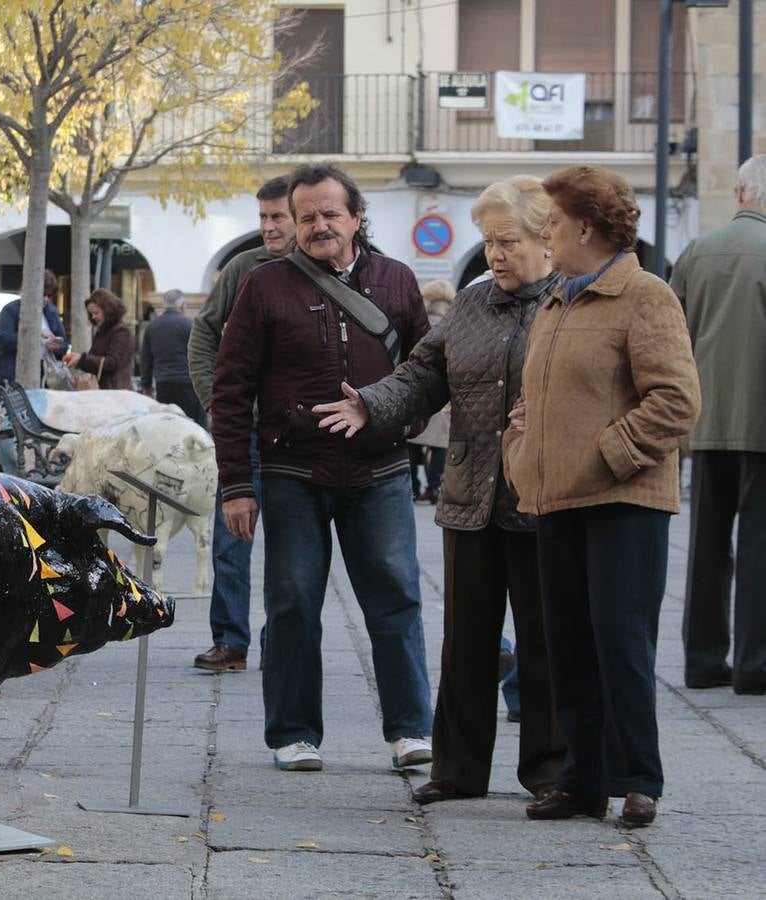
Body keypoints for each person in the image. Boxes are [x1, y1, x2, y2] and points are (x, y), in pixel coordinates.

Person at [314, 175, 565, 806]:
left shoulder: (572, 303)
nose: (495, 255)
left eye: (508, 241)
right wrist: (373, 404)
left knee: (544, 643)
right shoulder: (475, 303)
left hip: (545, 500)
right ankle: (457, 770)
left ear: (549, 239)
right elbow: (424, 374)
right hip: (471, 496)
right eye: (488, 242)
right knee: (466, 643)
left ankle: (551, 772)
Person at [212, 162, 434, 773]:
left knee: (396, 601)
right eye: (306, 215)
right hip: (292, 474)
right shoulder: (264, 286)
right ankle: (293, 732)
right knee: (290, 606)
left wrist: (390, 418)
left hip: (381, 472)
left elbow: (428, 374)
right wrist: (236, 484)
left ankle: (412, 730)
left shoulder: (396, 280)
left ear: (357, 217)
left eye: (330, 213)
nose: (318, 225)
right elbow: (230, 389)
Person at [504, 165, 700, 829]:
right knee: (569, 647)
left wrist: (607, 456)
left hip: (625, 502)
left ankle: (638, 780)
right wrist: (520, 451)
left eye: (552, 224)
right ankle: (581, 781)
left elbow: (676, 400)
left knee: (620, 643)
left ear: (585, 226)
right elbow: (537, 402)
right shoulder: (555, 301)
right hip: (556, 501)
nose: (545, 235)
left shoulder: (645, 295)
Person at [187, 175, 294, 671]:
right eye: (263, 217)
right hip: (245, 435)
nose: (269, 227)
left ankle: (283, 642)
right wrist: (216, 401)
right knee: (231, 543)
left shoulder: (325, 270)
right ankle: (230, 640)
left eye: (279, 217)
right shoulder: (241, 269)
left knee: (294, 552)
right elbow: (203, 335)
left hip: (298, 439)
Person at [671, 154, 766, 695]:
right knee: (759, 542)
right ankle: (756, 663)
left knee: (707, 542)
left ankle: (702, 661)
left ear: (739, 193)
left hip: (703, 422)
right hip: (761, 424)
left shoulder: (696, 251)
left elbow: (669, 336)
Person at [406, 279, 452, 504]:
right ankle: (435, 488)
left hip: (423, 389)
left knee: (413, 440)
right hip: (447, 393)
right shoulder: (455, 321)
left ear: (430, 299)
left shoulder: (424, 322)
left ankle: (414, 487)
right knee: (439, 443)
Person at [0, 269, 67, 390]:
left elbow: (64, 345)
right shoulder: (11, 310)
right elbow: (2, 339)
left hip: (44, 377)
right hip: (12, 375)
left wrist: (56, 346)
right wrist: (37, 336)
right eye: (43, 294)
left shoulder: (52, 312)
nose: (46, 299)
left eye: (50, 296)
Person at [139, 289, 205, 428]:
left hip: (164, 385)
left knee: (168, 427)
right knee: (194, 427)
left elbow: (145, 358)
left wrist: (147, 385)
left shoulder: (152, 327)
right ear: (182, 306)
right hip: (188, 385)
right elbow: (200, 355)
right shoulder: (189, 324)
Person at [67, 288, 133, 390]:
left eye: (96, 313)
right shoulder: (102, 331)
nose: (93, 317)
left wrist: (82, 359)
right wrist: (79, 360)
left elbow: (112, 363)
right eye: (91, 314)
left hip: (116, 392)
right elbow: (93, 359)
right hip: (105, 390)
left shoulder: (121, 331)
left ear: (108, 310)